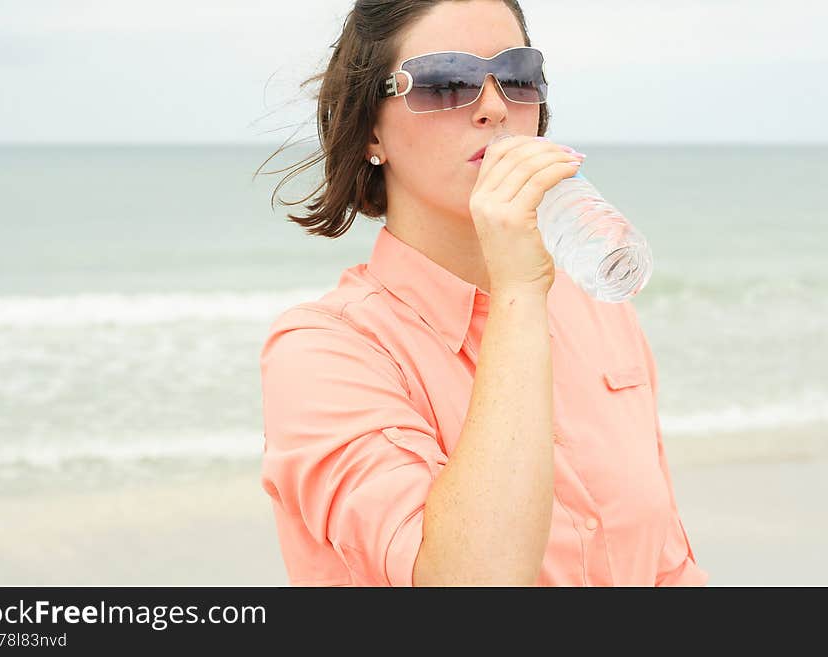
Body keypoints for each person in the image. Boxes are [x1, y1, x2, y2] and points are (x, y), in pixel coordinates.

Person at [256, 0, 708, 586]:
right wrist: (519, 292)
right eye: (446, 83)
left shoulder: (593, 303)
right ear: (371, 130)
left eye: (518, 77)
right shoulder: (322, 353)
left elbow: (667, 562)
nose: (495, 107)